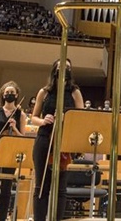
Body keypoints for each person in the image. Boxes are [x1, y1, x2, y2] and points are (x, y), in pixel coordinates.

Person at [32, 59, 84, 221]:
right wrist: (43, 120)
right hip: (44, 138)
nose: (64, 69)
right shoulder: (44, 92)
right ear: (54, 70)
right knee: (41, 186)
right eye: (61, 67)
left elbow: (81, 117)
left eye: (68, 67)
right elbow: (33, 117)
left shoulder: (75, 92)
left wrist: (66, 118)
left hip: (64, 140)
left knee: (61, 188)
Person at [0, 81, 27, 221]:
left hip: (10, 155)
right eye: (7, 93)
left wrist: (14, 129)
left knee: (6, 190)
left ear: (17, 95)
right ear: (3, 95)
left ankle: (2, 218)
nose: (9, 95)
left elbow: (22, 139)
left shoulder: (21, 115)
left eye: (12, 93)